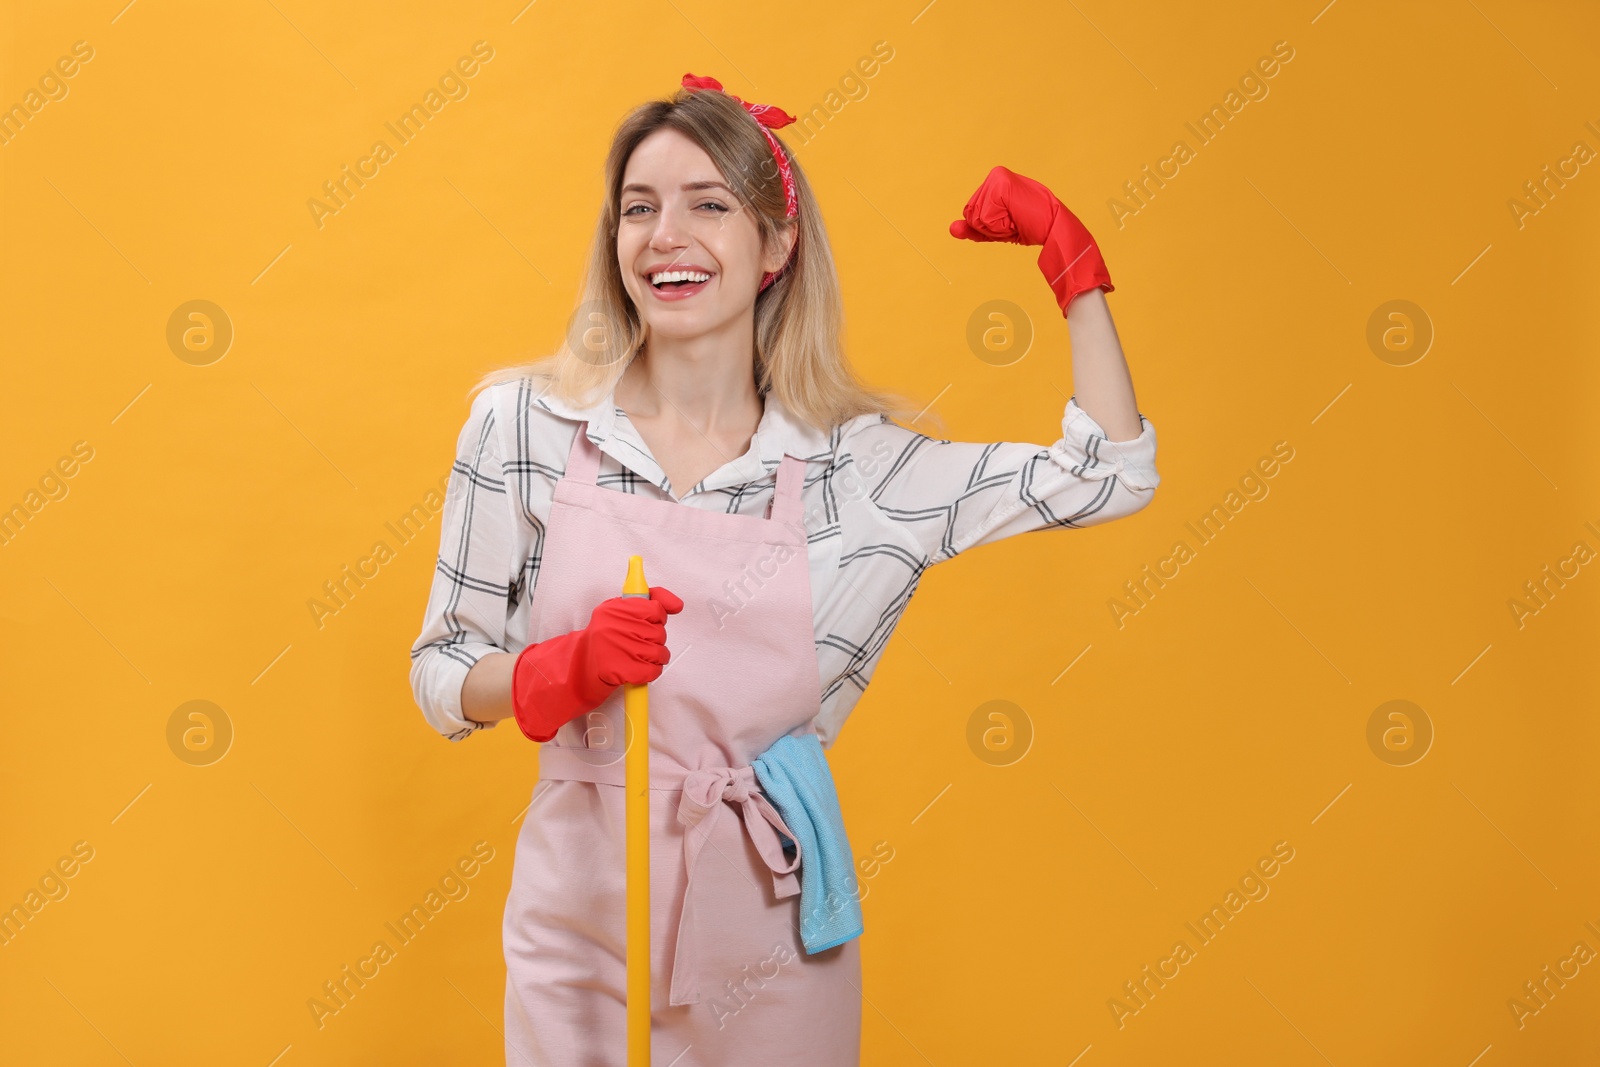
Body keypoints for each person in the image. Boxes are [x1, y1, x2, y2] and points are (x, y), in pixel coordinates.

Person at [408, 72, 1160, 1067]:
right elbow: (440, 673)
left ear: (775, 243)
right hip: (578, 923)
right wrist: (555, 672)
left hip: (768, 928)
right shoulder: (526, 427)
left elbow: (1106, 476)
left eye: (707, 203)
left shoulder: (857, 467)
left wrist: (1074, 268)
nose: (663, 233)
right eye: (639, 208)